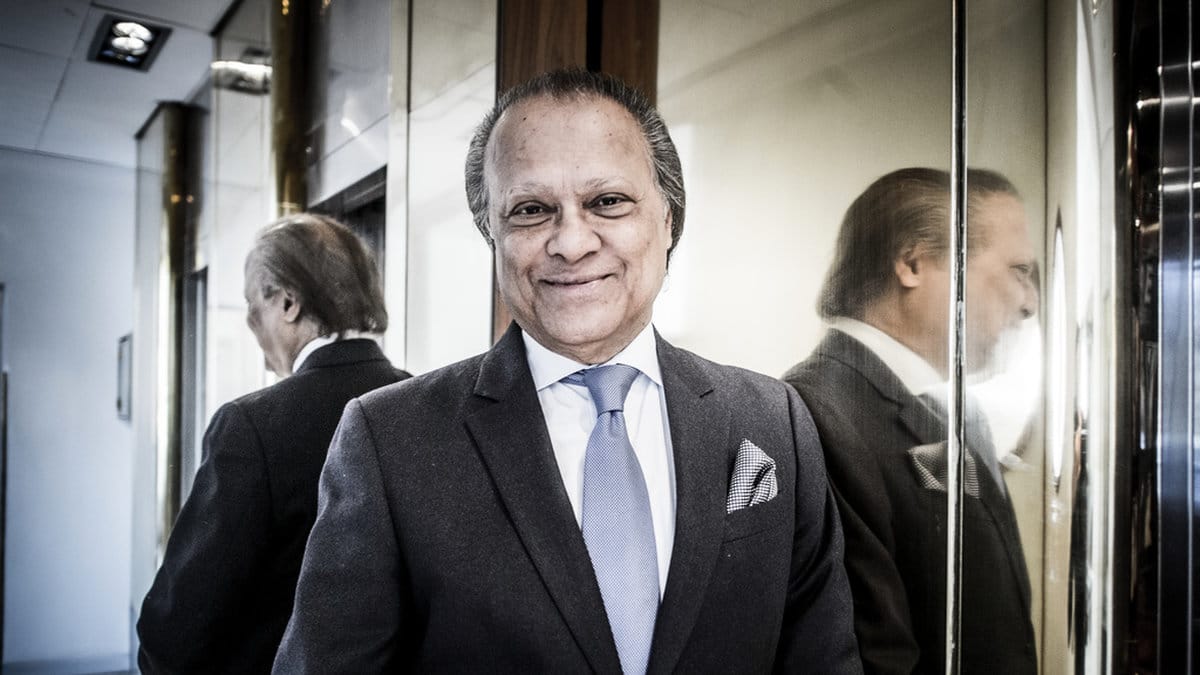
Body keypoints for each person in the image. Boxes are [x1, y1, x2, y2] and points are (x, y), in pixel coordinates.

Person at [274, 68, 861, 673]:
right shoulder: (390, 440)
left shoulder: (774, 421)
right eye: (531, 210)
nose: (572, 243)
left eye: (607, 202)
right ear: (492, 235)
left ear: (668, 220)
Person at [783, 168, 1039, 674]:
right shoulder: (816, 414)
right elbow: (869, 655)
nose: (1029, 302)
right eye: (1018, 271)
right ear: (913, 263)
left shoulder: (956, 411)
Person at [137, 213, 411, 673]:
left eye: (252, 305)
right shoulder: (423, 404)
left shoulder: (250, 426)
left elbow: (177, 627)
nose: (250, 323)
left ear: (287, 302)